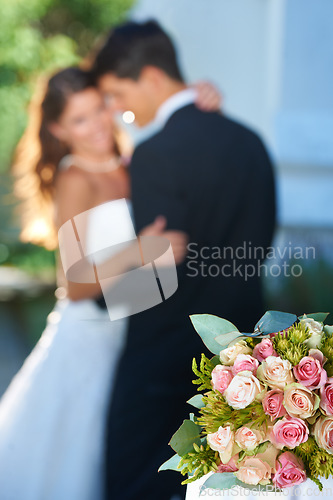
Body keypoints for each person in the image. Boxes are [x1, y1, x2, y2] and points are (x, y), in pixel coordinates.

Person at [0, 66, 221, 500]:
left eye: (99, 108)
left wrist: (201, 100)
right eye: (80, 119)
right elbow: (73, 283)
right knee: (76, 452)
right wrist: (141, 250)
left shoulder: (134, 162)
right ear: (60, 129)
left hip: (132, 330)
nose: (98, 124)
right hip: (86, 338)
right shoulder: (75, 177)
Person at [92, 19, 276, 500]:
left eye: (117, 93)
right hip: (241, 357)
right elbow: (258, 248)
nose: (117, 109)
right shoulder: (252, 142)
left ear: (151, 77)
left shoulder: (156, 153)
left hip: (160, 357)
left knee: (134, 483)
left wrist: (98, 301)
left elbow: (161, 269)